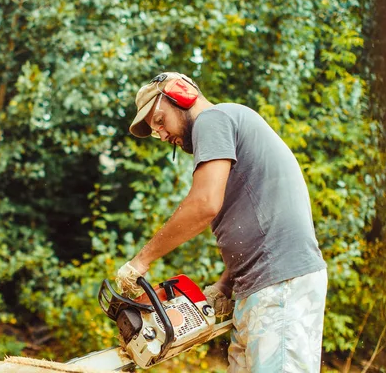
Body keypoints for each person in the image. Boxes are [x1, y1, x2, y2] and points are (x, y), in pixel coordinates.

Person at [115, 72, 328, 372]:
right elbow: (260, 217)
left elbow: (204, 205)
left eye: (160, 121)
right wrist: (225, 286)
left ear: (182, 94)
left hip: (278, 284)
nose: (162, 135)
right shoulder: (226, 128)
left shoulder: (212, 120)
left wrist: (140, 261)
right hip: (259, 285)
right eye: (154, 131)